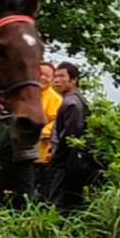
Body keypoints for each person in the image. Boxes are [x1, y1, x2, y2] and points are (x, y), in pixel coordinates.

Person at [48, 61, 94, 211]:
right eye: (55, 76)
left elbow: (70, 136)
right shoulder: (77, 99)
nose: (56, 80)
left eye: (61, 76)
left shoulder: (71, 103)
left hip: (68, 163)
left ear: (74, 79)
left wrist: (56, 158)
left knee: (60, 203)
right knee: (73, 202)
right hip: (76, 163)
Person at [34, 60, 64, 203]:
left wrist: (41, 132)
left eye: (47, 75)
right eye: (40, 74)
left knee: (40, 187)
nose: (43, 78)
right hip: (21, 151)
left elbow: (56, 122)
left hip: (43, 151)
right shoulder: (28, 92)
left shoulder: (55, 99)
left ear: (52, 79)